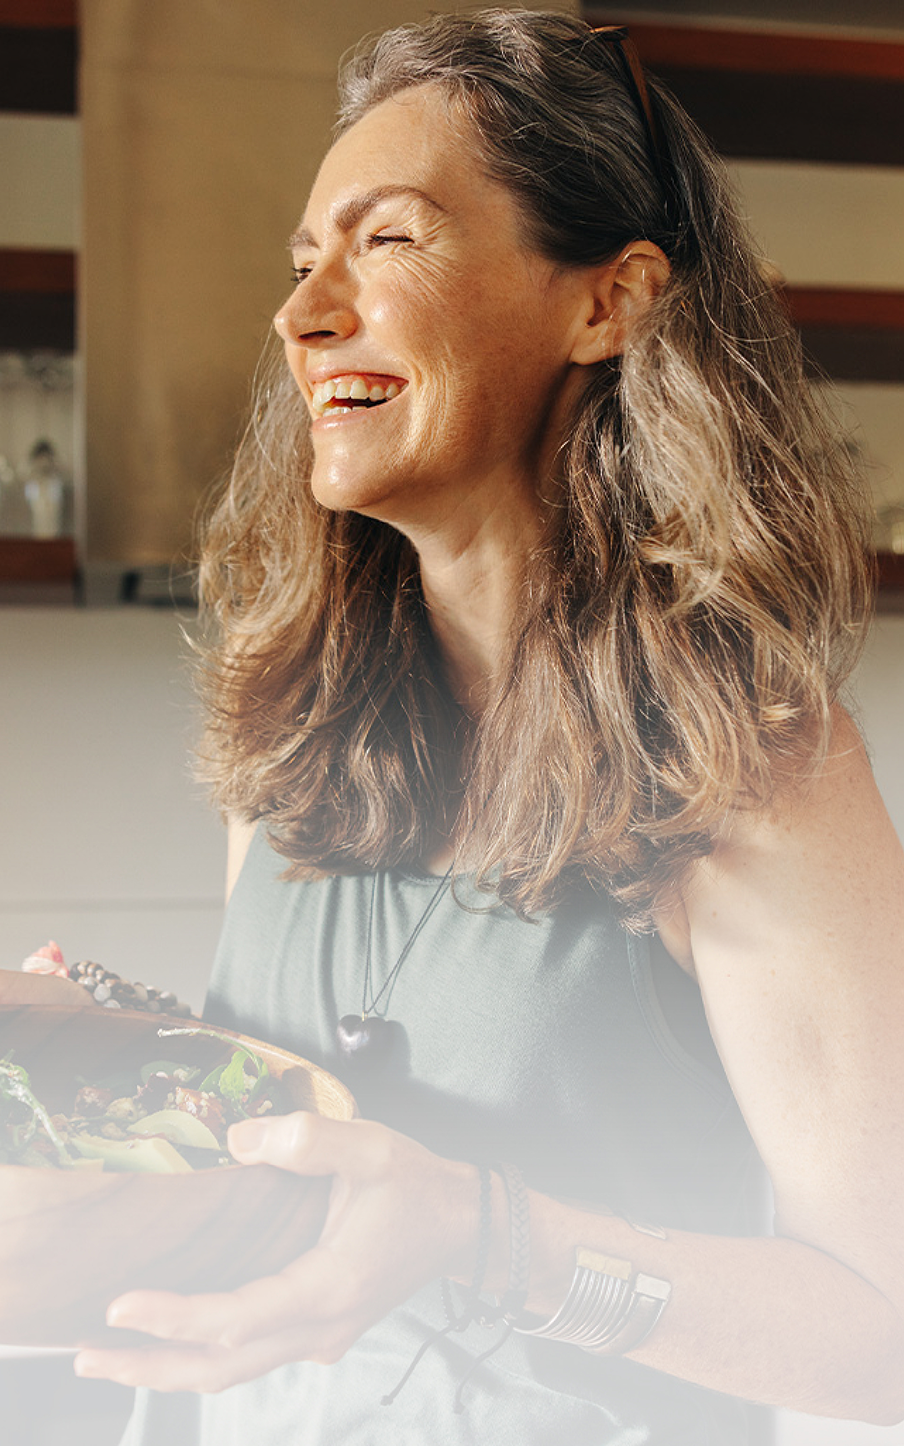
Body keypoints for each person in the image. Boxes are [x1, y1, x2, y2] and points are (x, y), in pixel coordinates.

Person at [75, 10, 904, 1444]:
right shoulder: (294, 735)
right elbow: (282, 1155)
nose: (303, 311)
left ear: (608, 302)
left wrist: (486, 1235)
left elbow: (883, 1333)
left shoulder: (752, 763)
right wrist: (108, 1052)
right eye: (300, 264)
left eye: (386, 241)